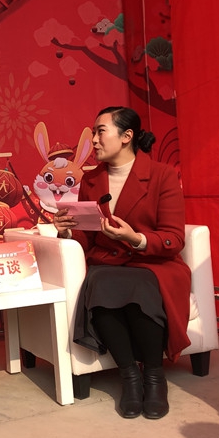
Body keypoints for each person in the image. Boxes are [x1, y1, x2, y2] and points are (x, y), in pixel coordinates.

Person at [52, 106, 191, 420]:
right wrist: (68, 231)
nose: (94, 140)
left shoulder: (163, 175)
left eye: (101, 132)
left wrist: (135, 238)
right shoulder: (91, 179)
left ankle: (154, 377)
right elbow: (88, 237)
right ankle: (130, 376)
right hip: (109, 264)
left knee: (141, 285)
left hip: (155, 262)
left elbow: (173, 238)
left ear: (127, 136)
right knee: (99, 282)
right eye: (94, 132)